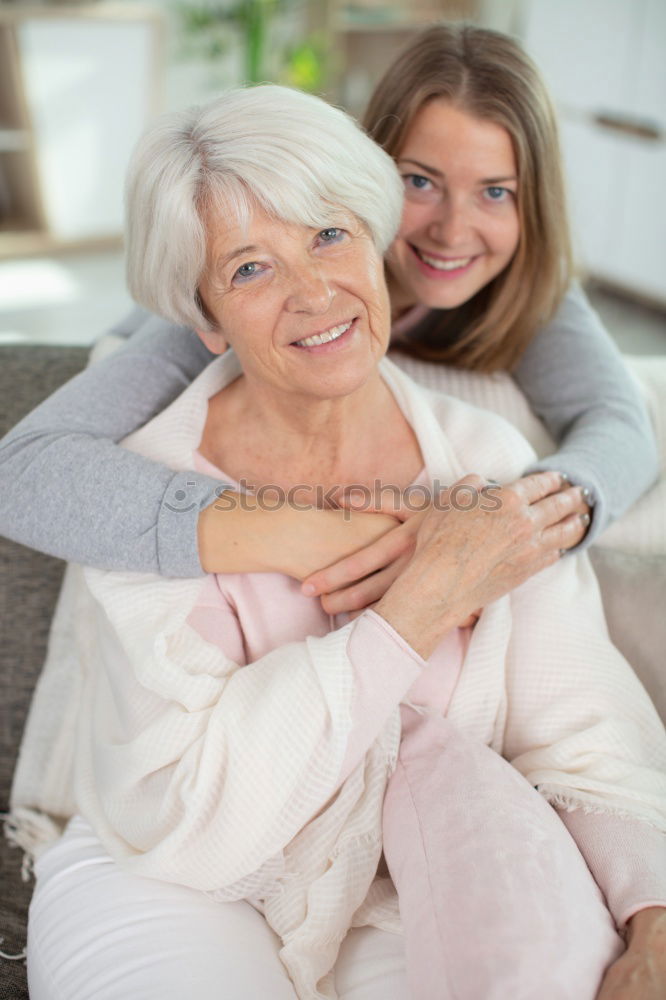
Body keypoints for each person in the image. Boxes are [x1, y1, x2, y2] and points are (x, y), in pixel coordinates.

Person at [17, 85, 666, 1000]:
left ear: (375, 239)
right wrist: (419, 599)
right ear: (201, 317)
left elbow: (584, 731)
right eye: (249, 268)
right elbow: (193, 806)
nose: (314, 291)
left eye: (329, 235)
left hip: (398, 871)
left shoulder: (484, 461)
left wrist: (654, 922)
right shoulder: (134, 485)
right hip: (175, 870)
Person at [0, 25, 657, 615]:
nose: (453, 230)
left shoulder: (532, 293)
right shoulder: (229, 306)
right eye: (419, 182)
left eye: (495, 192)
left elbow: (621, 428)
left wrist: (514, 518)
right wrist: (316, 532)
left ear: (531, 205)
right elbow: (25, 472)